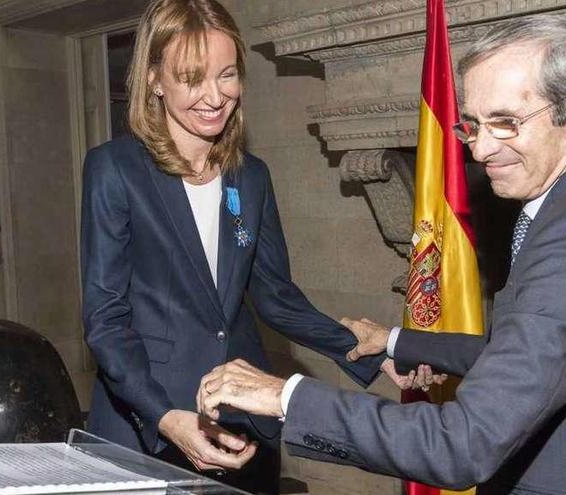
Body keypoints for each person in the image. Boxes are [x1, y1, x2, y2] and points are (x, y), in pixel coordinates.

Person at [197, 15, 566, 495]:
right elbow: (524, 349)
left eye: (506, 123)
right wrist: (391, 340)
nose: (480, 150)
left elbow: (464, 444)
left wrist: (284, 396)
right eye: (473, 126)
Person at [80, 1, 408, 493]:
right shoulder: (114, 169)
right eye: (192, 78)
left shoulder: (251, 176)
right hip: (144, 423)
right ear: (153, 79)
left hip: (240, 420)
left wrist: (367, 353)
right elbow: (105, 318)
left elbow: (276, 295)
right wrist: (164, 416)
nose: (214, 96)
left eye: (227, 75)